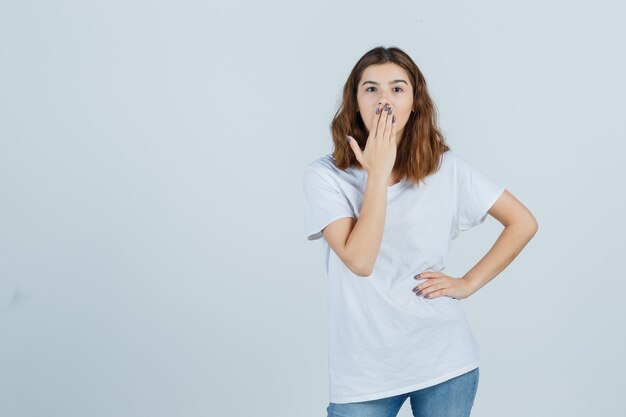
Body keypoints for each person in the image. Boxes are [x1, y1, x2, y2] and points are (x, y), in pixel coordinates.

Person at [301, 46, 538, 417]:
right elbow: (360, 261)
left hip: (444, 361)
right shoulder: (325, 176)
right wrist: (378, 173)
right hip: (364, 372)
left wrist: (467, 283)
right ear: (354, 101)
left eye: (397, 89)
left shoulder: (445, 168)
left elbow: (523, 222)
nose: (384, 100)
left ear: (414, 102)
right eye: (371, 89)